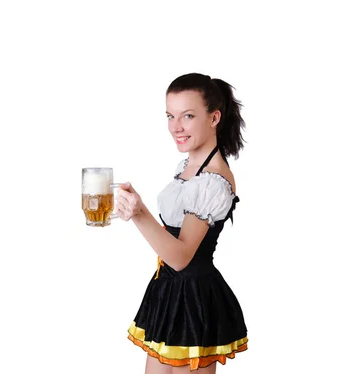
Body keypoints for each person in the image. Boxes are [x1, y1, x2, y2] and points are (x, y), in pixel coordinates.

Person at [114, 73, 248, 373]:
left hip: (194, 299)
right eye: (170, 116)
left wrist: (139, 213)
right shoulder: (189, 166)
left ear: (214, 117)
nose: (176, 126)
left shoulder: (212, 181)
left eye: (188, 116)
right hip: (169, 292)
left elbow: (181, 257)